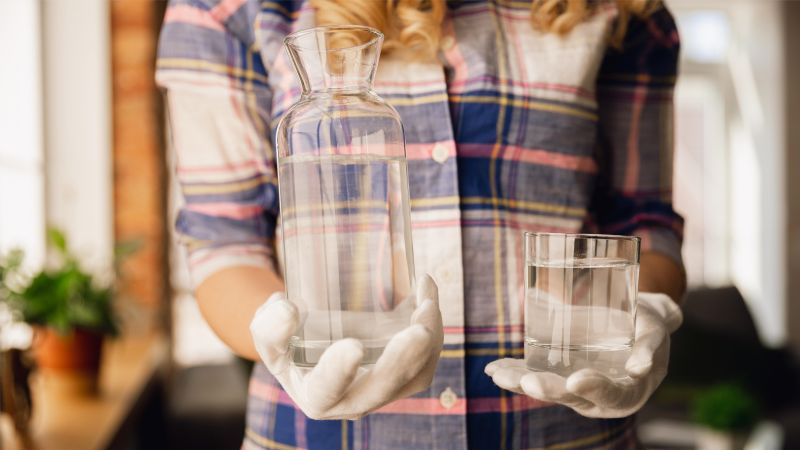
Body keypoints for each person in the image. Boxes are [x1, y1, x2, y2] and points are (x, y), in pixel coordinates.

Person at [156, 0, 686, 448]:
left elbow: (644, 225)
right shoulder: (225, 9)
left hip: (565, 433)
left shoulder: (626, 12)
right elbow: (224, 244)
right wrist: (287, 343)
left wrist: (639, 317)